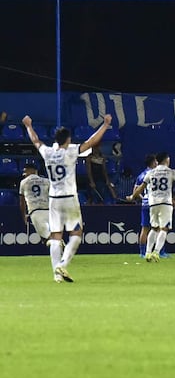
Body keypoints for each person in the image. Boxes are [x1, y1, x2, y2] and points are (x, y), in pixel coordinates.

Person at [22, 113, 113, 282]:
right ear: (68, 139)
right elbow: (91, 142)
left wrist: (28, 126)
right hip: (69, 198)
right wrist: (105, 125)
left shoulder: (48, 153)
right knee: (76, 233)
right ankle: (62, 265)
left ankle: (57, 276)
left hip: (54, 199)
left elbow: (36, 141)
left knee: (56, 235)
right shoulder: (71, 151)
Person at [127, 152, 175, 262]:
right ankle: (156, 252)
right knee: (164, 228)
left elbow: (141, 187)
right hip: (165, 203)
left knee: (154, 228)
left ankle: (148, 253)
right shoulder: (171, 172)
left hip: (153, 203)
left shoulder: (150, 172)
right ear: (166, 160)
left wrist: (132, 196)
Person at [19, 163, 57, 281]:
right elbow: (54, 197)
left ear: (31, 170)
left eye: (25, 171)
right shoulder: (46, 181)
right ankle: (59, 250)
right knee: (50, 237)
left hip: (35, 212)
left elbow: (22, 201)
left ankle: (58, 265)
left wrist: (24, 215)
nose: (24, 174)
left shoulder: (24, 183)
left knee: (47, 238)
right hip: (48, 211)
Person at [133, 154, 158, 258]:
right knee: (158, 228)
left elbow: (135, 191)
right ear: (153, 163)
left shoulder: (141, 175)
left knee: (145, 229)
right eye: (156, 161)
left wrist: (143, 198)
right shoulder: (156, 174)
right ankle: (159, 251)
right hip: (154, 203)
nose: (157, 163)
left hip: (145, 204)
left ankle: (142, 253)